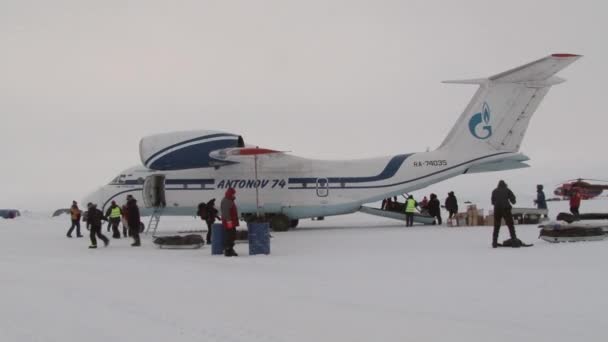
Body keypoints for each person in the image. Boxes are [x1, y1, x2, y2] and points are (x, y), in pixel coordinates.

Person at [491, 180, 518, 248]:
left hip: (497, 209)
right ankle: (514, 242)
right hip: (506, 209)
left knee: (496, 226)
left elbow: (493, 201)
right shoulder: (507, 190)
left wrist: (497, 204)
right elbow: (513, 199)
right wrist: (512, 201)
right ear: (505, 184)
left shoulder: (494, 191)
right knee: (510, 225)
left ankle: (494, 243)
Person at [221, 188, 239, 256]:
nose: (234, 195)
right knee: (229, 236)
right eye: (233, 193)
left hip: (231, 221)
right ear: (230, 193)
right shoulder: (226, 201)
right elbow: (226, 213)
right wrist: (229, 222)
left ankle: (230, 249)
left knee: (232, 235)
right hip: (229, 222)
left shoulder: (230, 200)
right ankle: (228, 250)